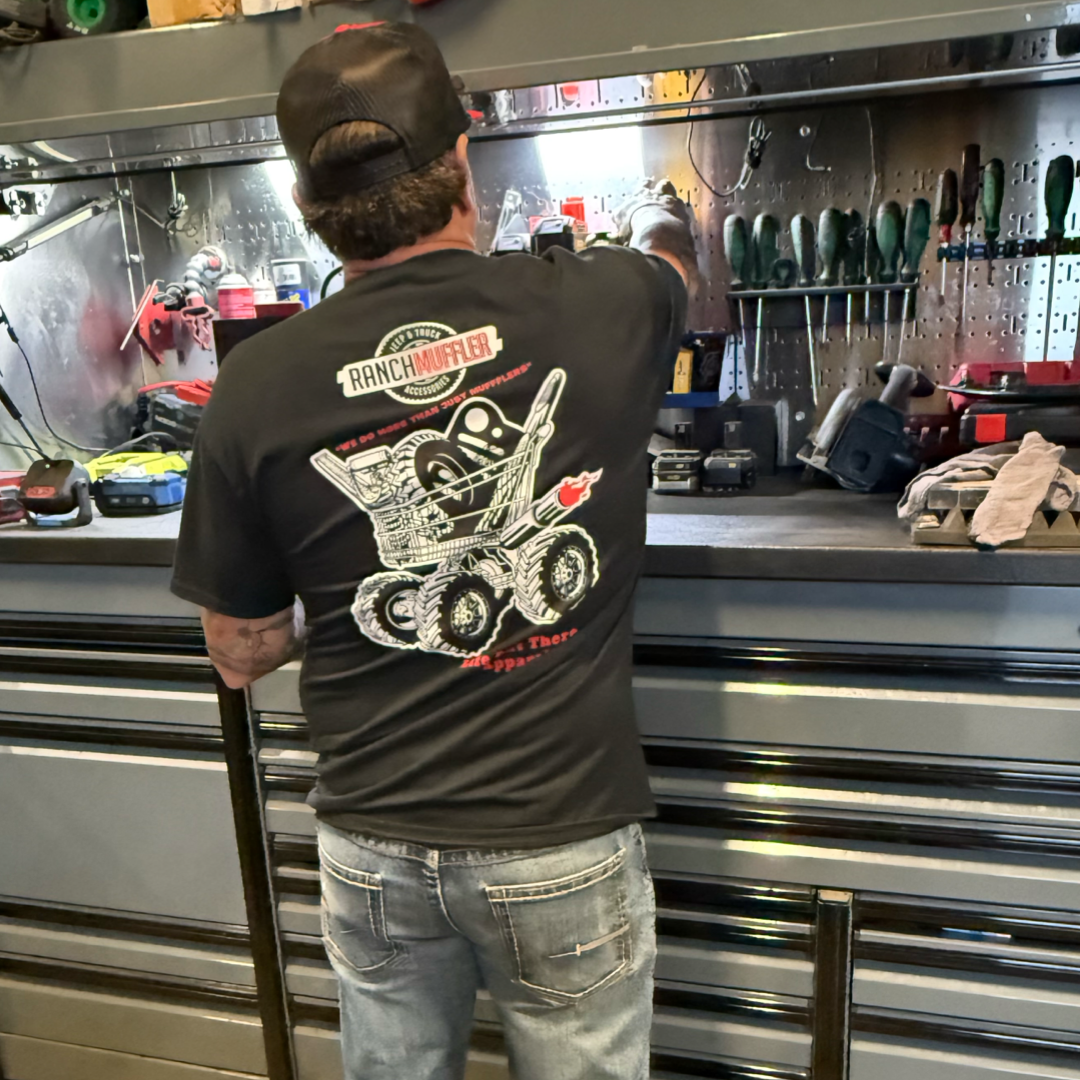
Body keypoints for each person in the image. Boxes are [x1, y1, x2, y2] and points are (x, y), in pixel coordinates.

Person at [171, 21, 697, 1080]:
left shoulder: (256, 382)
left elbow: (240, 649)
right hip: (560, 840)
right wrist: (663, 211)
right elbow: (673, 267)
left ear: (309, 207)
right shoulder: (603, 303)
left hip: (372, 850)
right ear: (462, 158)